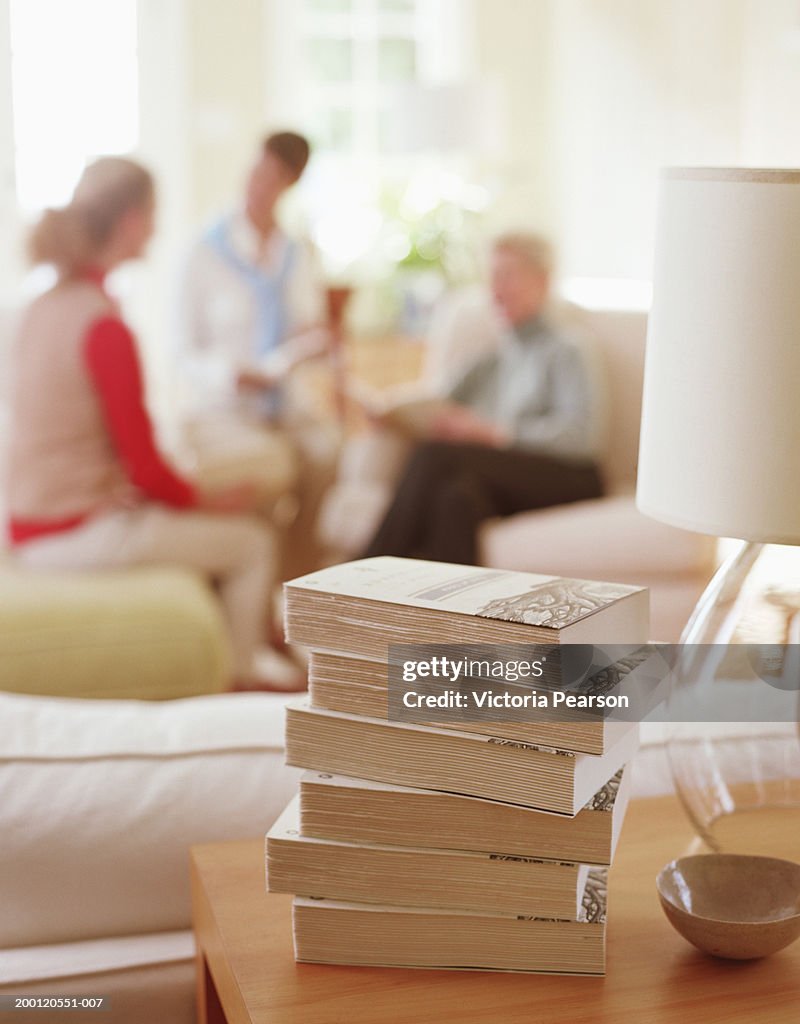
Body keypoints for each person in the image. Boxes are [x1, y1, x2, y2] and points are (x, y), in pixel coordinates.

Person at [5, 157, 302, 690]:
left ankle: (257, 640)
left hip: (33, 521)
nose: (158, 228)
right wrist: (208, 502)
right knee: (252, 542)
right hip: (75, 534)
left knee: (219, 504)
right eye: (153, 214)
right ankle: (237, 677)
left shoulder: (38, 308)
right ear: (131, 221)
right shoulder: (103, 326)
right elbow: (144, 467)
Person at [363, 233, 603, 565]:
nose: (496, 290)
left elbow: (581, 439)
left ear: (542, 281)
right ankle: (449, 615)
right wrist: (389, 412)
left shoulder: (567, 348)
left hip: (570, 475)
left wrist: (491, 433)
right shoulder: (493, 359)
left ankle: (365, 577)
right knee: (456, 497)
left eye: (507, 276)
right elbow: (437, 400)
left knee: (434, 457)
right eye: (492, 277)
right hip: (507, 479)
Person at [178, 131, 336, 578]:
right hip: (225, 405)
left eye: (274, 177)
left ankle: (298, 576)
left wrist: (309, 340)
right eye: (257, 171)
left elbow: (310, 325)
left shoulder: (296, 254)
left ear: (289, 184)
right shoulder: (203, 252)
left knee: (326, 455)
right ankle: (258, 581)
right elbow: (182, 352)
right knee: (270, 466)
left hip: (285, 401)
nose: (260, 184)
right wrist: (231, 375)